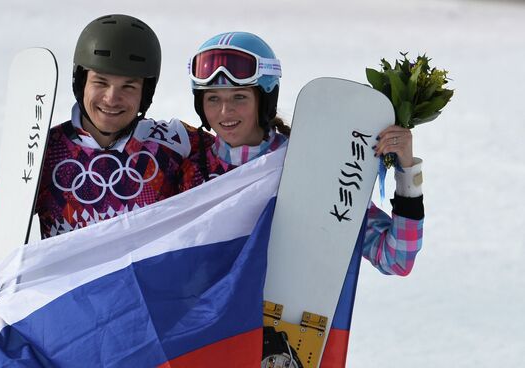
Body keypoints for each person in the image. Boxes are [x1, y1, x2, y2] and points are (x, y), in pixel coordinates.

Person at [181, 31, 424, 367]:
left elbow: (395, 257)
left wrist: (407, 173)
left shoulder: (311, 167)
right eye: (212, 99)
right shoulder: (186, 167)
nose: (225, 111)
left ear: (264, 98)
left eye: (239, 97)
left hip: (284, 346)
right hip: (209, 345)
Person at [0, 14, 202, 306]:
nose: (112, 98)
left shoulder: (173, 144)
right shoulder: (49, 151)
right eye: (101, 82)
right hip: (70, 314)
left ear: (145, 93)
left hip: (150, 312)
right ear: (81, 81)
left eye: (128, 86)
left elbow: (235, 167)